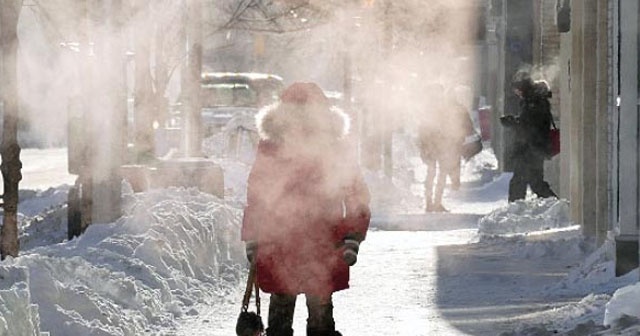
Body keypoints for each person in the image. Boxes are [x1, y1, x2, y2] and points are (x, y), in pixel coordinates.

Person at [241, 82, 371, 336]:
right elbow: (258, 193)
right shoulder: (326, 147)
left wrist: (254, 237)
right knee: (313, 318)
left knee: (295, 319)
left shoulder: (328, 148)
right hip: (297, 242)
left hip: (301, 243)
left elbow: (256, 194)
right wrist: (352, 236)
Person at [500, 71, 557, 202]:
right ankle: (556, 206)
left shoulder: (534, 102)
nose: (516, 93)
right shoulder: (532, 100)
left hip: (531, 149)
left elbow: (530, 127)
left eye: (517, 89)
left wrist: (512, 123)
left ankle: (514, 211)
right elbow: (528, 122)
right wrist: (515, 121)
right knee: (535, 183)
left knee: (521, 183)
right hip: (533, 148)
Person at [417, 84, 474, 212]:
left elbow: (422, 129)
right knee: (438, 174)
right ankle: (435, 203)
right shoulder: (442, 108)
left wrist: (423, 146)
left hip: (435, 144)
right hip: (439, 145)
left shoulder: (430, 108)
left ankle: (430, 203)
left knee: (433, 173)